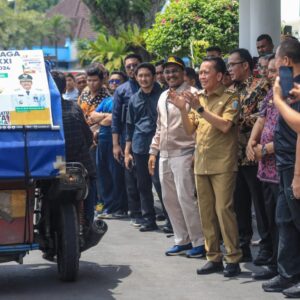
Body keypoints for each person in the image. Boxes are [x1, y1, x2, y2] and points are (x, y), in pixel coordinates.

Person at [170, 56, 242, 277]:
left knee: (224, 211)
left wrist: (199, 109)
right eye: (200, 72)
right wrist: (184, 109)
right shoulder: (198, 98)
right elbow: (190, 129)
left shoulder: (231, 97)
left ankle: (233, 258)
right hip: (201, 162)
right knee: (206, 213)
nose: (201, 76)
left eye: (206, 72)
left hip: (223, 164)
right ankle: (213, 257)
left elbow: (225, 126)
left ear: (219, 76)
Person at [149, 56, 205, 257]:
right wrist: (153, 151)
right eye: (167, 71)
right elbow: (159, 127)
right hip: (164, 154)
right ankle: (182, 240)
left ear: (183, 73)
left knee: (187, 198)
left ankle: (199, 241)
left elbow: (200, 126)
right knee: (169, 199)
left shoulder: (194, 94)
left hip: (185, 152)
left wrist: (197, 152)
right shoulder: (163, 95)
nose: (170, 75)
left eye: (174, 71)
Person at [262, 39, 300, 298]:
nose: (273, 65)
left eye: (275, 58)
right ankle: (288, 274)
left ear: (285, 61)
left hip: (294, 163)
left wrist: (279, 100)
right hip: (285, 161)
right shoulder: (292, 86)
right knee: (285, 220)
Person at [228, 48, 272, 264]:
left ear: (245, 65)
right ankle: (243, 246)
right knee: (239, 205)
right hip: (234, 156)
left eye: (232, 65)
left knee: (261, 206)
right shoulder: (230, 90)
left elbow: (263, 117)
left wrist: (237, 121)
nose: (229, 69)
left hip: (254, 155)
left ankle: (266, 248)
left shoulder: (261, 86)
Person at [246, 55, 279, 280]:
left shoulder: (292, 93)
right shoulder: (271, 93)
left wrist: (264, 149)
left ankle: (285, 269)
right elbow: (261, 118)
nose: (271, 74)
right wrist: (251, 142)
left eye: (275, 70)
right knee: (270, 219)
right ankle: (277, 265)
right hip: (265, 169)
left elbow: (290, 135)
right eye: (268, 70)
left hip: (283, 169)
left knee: (284, 223)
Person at [51, 71, 96, 226]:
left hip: (55, 164)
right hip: (78, 162)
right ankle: (89, 222)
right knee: (92, 180)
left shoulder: (41, 112)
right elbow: (88, 137)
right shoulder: (74, 108)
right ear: (64, 89)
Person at [125, 63, 162, 231]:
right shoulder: (133, 99)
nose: (143, 79)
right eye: (140, 76)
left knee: (161, 183)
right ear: (136, 77)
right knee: (143, 184)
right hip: (139, 146)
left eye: (147, 75)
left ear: (154, 77)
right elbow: (130, 126)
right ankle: (148, 219)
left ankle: (171, 220)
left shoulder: (163, 96)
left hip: (160, 145)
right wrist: (127, 151)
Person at [112, 54, 142, 222]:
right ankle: (135, 212)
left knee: (151, 179)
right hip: (126, 138)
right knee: (131, 177)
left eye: (135, 65)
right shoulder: (121, 90)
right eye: (129, 66)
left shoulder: (153, 87)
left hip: (148, 137)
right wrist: (116, 144)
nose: (132, 68)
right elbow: (115, 119)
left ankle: (151, 211)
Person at [89, 93, 127, 219]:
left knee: (115, 175)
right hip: (101, 141)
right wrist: (105, 118)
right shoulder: (106, 100)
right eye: (112, 81)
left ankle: (117, 208)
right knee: (102, 175)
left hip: (115, 141)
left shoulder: (123, 99)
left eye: (117, 81)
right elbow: (93, 115)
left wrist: (102, 119)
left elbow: (113, 120)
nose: (114, 84)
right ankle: (105, 206)